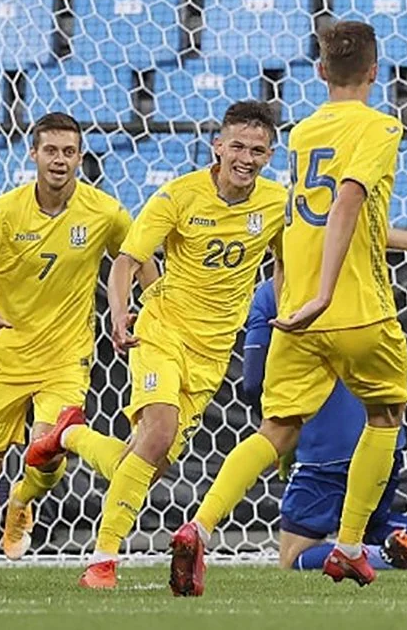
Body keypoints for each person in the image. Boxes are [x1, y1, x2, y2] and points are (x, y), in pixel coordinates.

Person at [169, 21, 407, 595]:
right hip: (354, 307)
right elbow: (347, 201)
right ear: (375, 71)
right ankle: (348, 547)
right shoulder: (380, 126)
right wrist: (326, 292)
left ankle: (200, 524)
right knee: (385, 416)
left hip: (294, 309)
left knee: (277, 429)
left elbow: (328, 217)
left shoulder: (303, 132)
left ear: (320, 71)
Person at [28, 100, 288, 589]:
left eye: (258, 151)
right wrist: (118, 313)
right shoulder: (178, 196)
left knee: (148, 463)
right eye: (237, 146)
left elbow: (284, 262)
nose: (246, 159)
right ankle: (102, 562)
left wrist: (285, 311)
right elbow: (126, 260)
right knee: (159, 432)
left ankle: (69, 436)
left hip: (212, 353)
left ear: (270, 155)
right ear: (218, 146)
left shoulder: (277, 203)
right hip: (163, 331)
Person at [0, 112, 158, 583]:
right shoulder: (4, 212)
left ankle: (21, 500)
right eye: (51, 151)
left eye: (68, 152)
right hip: (6, 357)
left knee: (50, 448)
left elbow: (136, 257)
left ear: (80, 157)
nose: (59, 160)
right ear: (34, 154)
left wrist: (153, 306)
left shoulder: (104, 212)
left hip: (66, 357)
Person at [245, 279, 407, 573]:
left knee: (293, 556)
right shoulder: (365, 281)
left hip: (324, 450)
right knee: (370, 523)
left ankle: (390, 556)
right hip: (385, 438)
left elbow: (253, 383)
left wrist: (280, 436)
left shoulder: (273, 292)